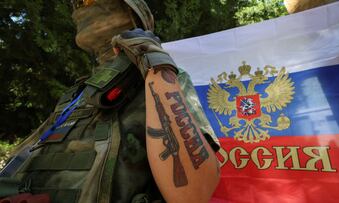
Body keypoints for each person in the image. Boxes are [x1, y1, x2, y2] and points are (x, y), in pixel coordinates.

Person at [0, 0, 220, 202]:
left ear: (131, 12)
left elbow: (194, 194)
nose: (80, 8)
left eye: (88, 1)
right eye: (77, 3)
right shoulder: (76, 94)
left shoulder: (159, 79)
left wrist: (155, 64)